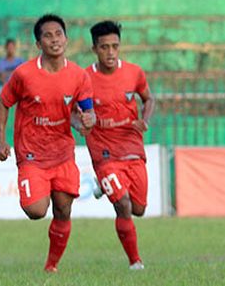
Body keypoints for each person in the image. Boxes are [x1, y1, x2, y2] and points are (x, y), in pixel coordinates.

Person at [0, 14, 95, 273]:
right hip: (32, 155)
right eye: (47, 36)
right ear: (39, 44)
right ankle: (41, 186)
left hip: (62, 154)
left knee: (63, 210)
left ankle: (51, 266)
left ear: (66, 38)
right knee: (36, 210)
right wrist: (0, 141)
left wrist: (86, 121)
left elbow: (84, 113)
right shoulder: (24, 74)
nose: (54, 40)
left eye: (58, 34)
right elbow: (3, 103)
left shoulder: (79, 76)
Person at [78, 20, 155, 270]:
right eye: (104, 47)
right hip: (104, 151)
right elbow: (68, 108)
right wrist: (79, 123)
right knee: (122, 205)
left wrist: (145, 119)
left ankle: (104, 185)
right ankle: (135, 262)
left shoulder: (134, 72)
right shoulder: (84, 78)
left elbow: (149, 98)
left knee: (139, 209)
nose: (110, 52)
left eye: (115, 46)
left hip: (132, 147)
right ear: (94, 49)